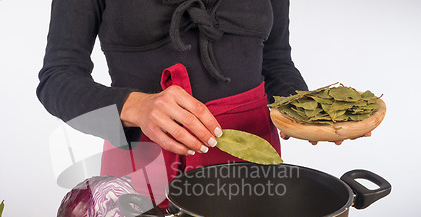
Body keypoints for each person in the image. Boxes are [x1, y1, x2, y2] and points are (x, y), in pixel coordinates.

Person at [36, 0, 344, 203]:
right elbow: (57, 78)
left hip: (253, 171)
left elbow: (276, 61)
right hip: (142, 174)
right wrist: (134, 106)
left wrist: (303, 111)